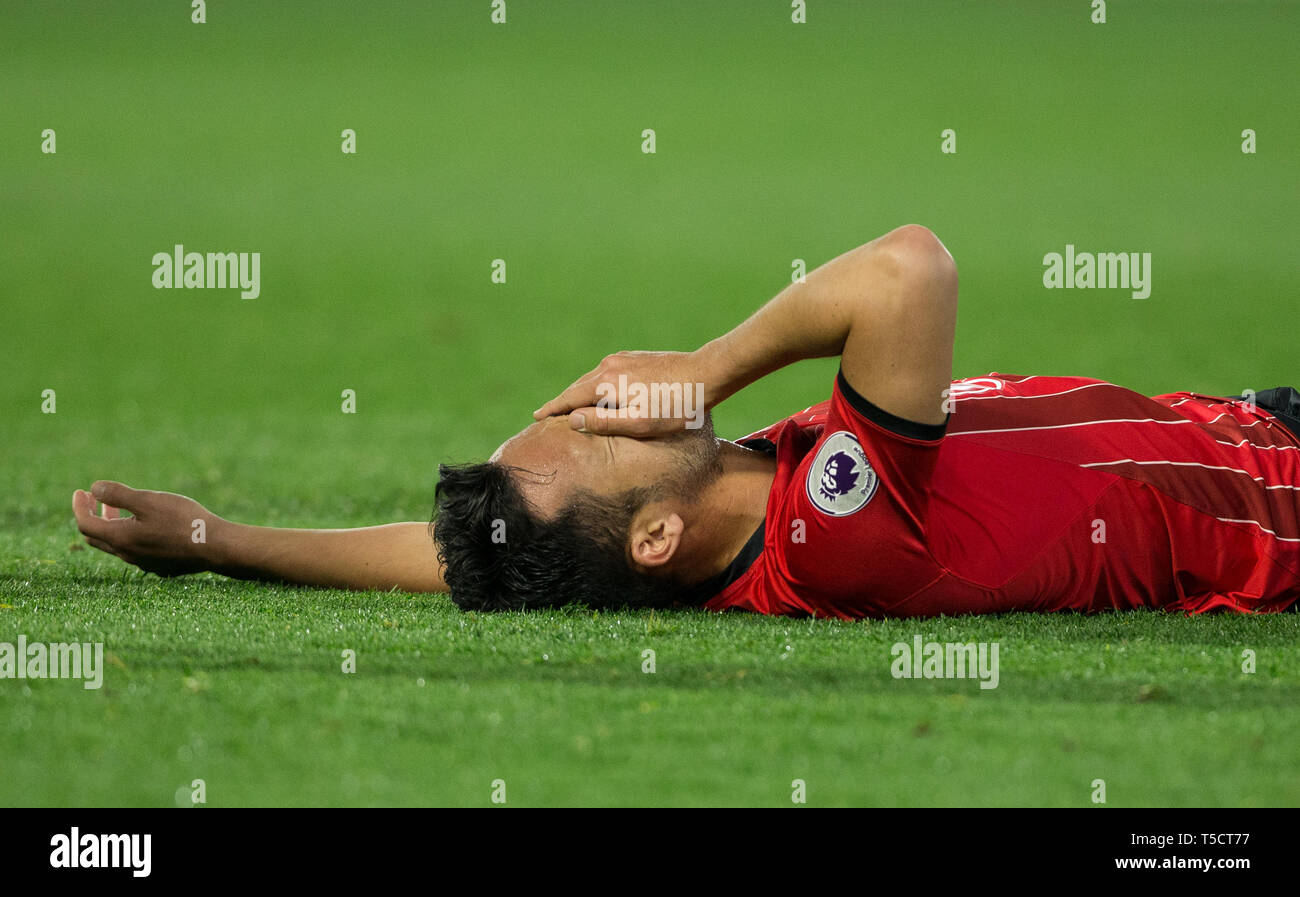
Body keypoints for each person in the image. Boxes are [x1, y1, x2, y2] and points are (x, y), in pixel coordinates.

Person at [74, 225, 1300, 619]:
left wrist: (215, 539)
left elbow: (472, 553)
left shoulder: (706, 521)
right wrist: (710, 368)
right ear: (655, 538)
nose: (615, 401)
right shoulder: (835, 540)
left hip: (1246, 422)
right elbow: (909, 271)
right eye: (600, 432)